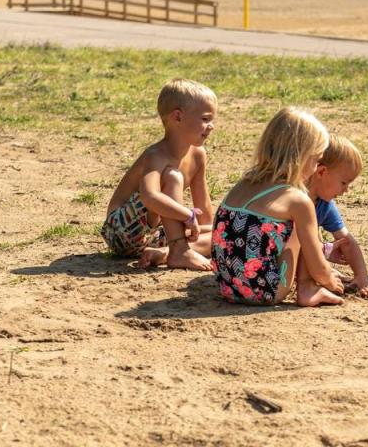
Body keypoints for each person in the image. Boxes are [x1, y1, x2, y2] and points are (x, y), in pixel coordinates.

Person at [211, 107, 345, 306]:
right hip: (267, 291)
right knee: (304, 225)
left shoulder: (244, 183)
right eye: (316, 160)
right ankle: (308, 290)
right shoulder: (297, 199)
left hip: (228, 287)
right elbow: (318, 269)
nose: (316, 168)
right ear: (301, 156)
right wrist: (328, 278)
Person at [101, 78, 217, 271]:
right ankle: (179, 250)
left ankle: (164, 253)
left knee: (223, 234)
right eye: (205, 119)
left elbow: (203, 209)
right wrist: (186, 215)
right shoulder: (156, 155)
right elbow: (150, 197)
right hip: (121, 231)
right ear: (178, 117)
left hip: (155, 236)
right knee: (172, 176)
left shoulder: (198, 155)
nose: (211, 126)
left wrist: (208, 231)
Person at [307, 135, 368, 297]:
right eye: (344, 183)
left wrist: (361, 277)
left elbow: (346, 241)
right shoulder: (293, 198)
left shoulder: (324, 204)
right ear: (322, 171)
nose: (346, 190)